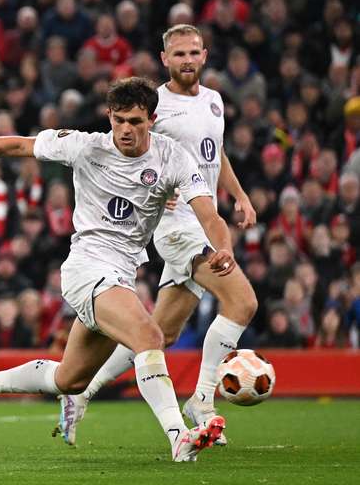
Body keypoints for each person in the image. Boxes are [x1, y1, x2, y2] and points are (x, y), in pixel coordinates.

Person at [0, 77, 233, 462]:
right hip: (88, 266)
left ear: (152, 119)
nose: (125, 130)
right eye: (118, 120)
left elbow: (208, 213)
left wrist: (224, 246)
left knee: (70, 379)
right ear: (109, 117)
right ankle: (179, 437)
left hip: (123, 272)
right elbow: (19, 144)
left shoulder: (173, 157)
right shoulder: (87, 147)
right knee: (149, 335)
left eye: (134, 121)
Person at [55, 25, 258, 447]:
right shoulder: (153, 104)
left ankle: (84, 393)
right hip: (176, 225)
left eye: (194, 52)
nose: (187, 60)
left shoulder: (215, 101)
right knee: (243, 301)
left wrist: (237, 195)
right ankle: (202, 400)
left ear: (204, 55)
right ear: (165, 58)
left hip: (204, 216)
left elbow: (212, 153)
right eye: (179, 53)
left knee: (156, 335)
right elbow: (137, 154)